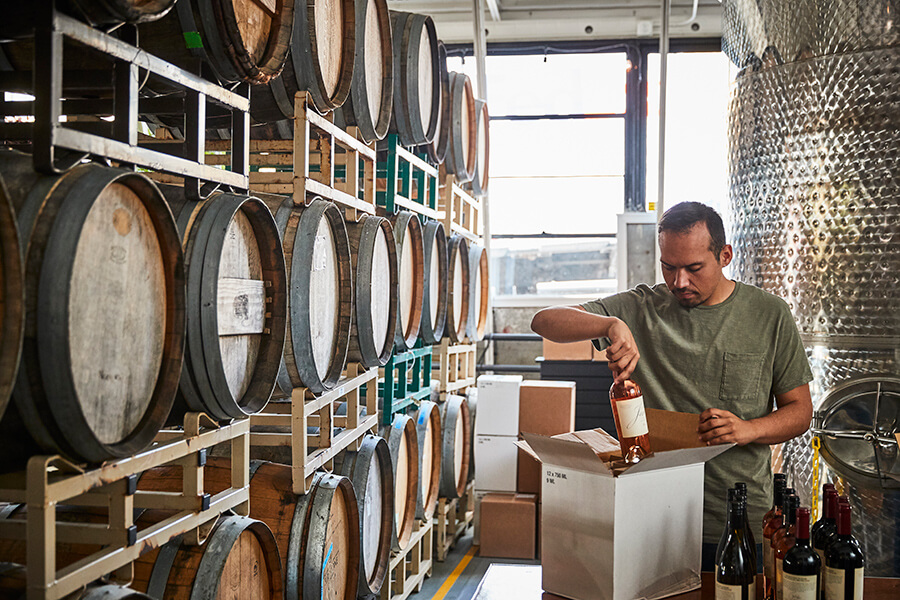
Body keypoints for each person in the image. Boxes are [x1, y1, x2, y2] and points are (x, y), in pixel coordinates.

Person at [530, 201, 813, 570]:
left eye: (694, 268)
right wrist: (609, 324)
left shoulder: (769, 315)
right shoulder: (642, 307)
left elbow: (801, 412)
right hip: (651, 517)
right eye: (669, 267)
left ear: (725, 255)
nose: (680, 281)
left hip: (735, 519)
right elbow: (543, 321)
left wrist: (747, 429)